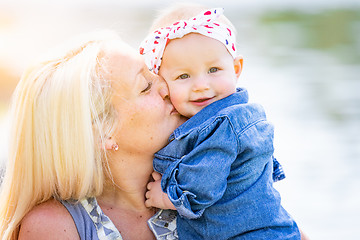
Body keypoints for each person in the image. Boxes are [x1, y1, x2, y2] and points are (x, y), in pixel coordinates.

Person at [0, 30, 185, 240]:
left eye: (153, 70)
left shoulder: (207, 191)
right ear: (103, 132)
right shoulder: (55, 227)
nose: (167, 86)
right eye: (145, 86)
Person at [140, 4, 301, 239]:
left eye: (213, 69)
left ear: (236, 69)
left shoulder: (224, 124)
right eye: (183, 76)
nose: (201, 85)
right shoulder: (234, 115)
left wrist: (167, 197)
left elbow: (202, 186)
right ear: (163, 84)